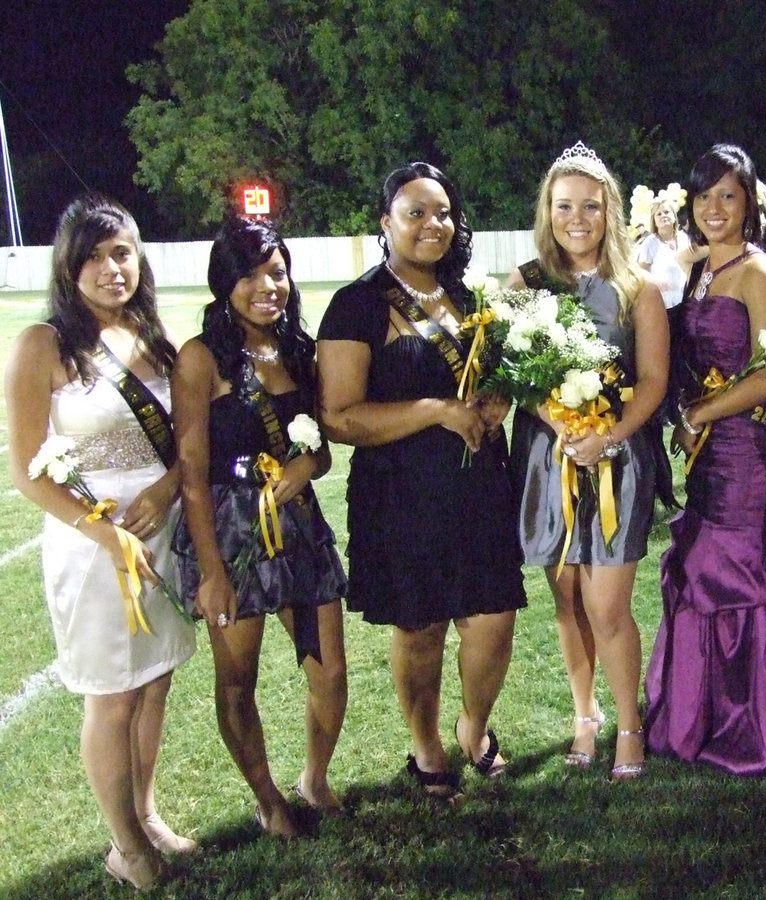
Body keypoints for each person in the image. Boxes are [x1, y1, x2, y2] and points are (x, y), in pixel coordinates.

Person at [317, 163, 526, 801]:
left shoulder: (468, 296)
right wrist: (436, 411)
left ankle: (474, 725)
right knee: (421, 628)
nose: (432, 224)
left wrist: (497, 399)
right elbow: (339, 417)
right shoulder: (358, 304)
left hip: (480, 487)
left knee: (494, 618)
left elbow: (492, 377)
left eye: (442, 213)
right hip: (400, 496)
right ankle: (427, 745)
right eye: (415, 213)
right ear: (386, 222)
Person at [5, 195, 196, 890]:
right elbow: (28, 471)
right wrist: (106, 534)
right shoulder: (44, 344)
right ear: (68, 265)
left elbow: (185, 443)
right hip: (94, 547)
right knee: (113, 696)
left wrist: (168, 489)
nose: (112, 268)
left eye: (122, 253)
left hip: (162, 531)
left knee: (155, 682)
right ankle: (125, 844)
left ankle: (146, 815)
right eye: (94, 256)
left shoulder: (154, 335)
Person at [171, 217, 348, 837]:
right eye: (248, 276)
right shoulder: (200, 358)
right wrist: (212, 572)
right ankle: (268, 800)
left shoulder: (299, 349)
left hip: (299, 526)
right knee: (237, 679)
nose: (265, 287)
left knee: (330, 672)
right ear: (224, 283)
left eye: (276, 273)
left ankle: (314, 779)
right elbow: (192, 474)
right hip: (232, 533)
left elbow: (322, 451)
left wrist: (308, 464)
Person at [644, 144, 766, 777]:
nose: (714, 208)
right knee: (700, 568)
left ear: (749, 205)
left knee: (738, 575)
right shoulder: (698, 272)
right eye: (704, 195)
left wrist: (700, 416)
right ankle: (700, 714)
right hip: (706, 453)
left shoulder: (758, 272)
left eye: (728, 196)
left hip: (744, 450)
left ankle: (755, 725)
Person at [507, 142, 668, 779]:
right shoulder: (526, 283)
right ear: (547, 211)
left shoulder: (637, 289)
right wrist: (558, 420)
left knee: (607, 604)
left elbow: (653, 381)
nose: (577, 219)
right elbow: (513, 375)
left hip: (616, 458)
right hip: (549, 457)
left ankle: (629, 724)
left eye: (591, 207)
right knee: (568, 597)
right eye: (564, 206)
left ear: (610, 211)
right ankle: (585, 714)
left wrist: (609, 435)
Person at [637, 189, 691, 310]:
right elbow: (640, 272)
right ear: (654, 221)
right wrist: (655, 282)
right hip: (662, 305)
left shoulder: (684, 238)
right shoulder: (650, 243)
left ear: (674, 216)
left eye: (667, 212)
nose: (663, 216)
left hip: (685, 301)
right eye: (659, 214)